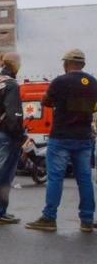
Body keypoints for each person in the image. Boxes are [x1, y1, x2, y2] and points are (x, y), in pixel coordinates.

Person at [26, 49, 97, 233]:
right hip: (84, 138)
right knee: (85, 179)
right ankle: (87, 220)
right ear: (83, 64)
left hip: (61, 137)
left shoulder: (60, 81)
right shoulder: (93, 82)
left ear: (66, 64)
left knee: (55, 178)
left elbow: (46, 101)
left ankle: (49, 218)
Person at [0, 52, 24, 225]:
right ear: (15, 65)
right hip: (8, 135)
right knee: (5, 174)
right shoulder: (11, 84)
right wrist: (19, 135)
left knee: (0, 172)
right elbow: (13, 115)